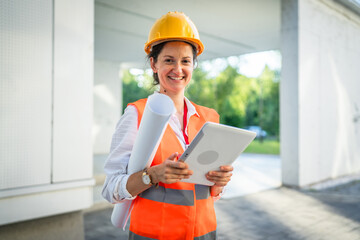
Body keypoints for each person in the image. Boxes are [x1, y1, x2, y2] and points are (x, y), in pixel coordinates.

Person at [102, 11, 233, 240]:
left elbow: (208, 193)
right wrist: (151, 175)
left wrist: (220, 184)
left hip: (204, 233)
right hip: (154, 235)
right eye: (169, 60)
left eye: (185, 61)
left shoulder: (209, 118)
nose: (178, 69)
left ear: (194, 65)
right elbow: (110, 189)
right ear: (153, 63)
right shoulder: (137, 114)